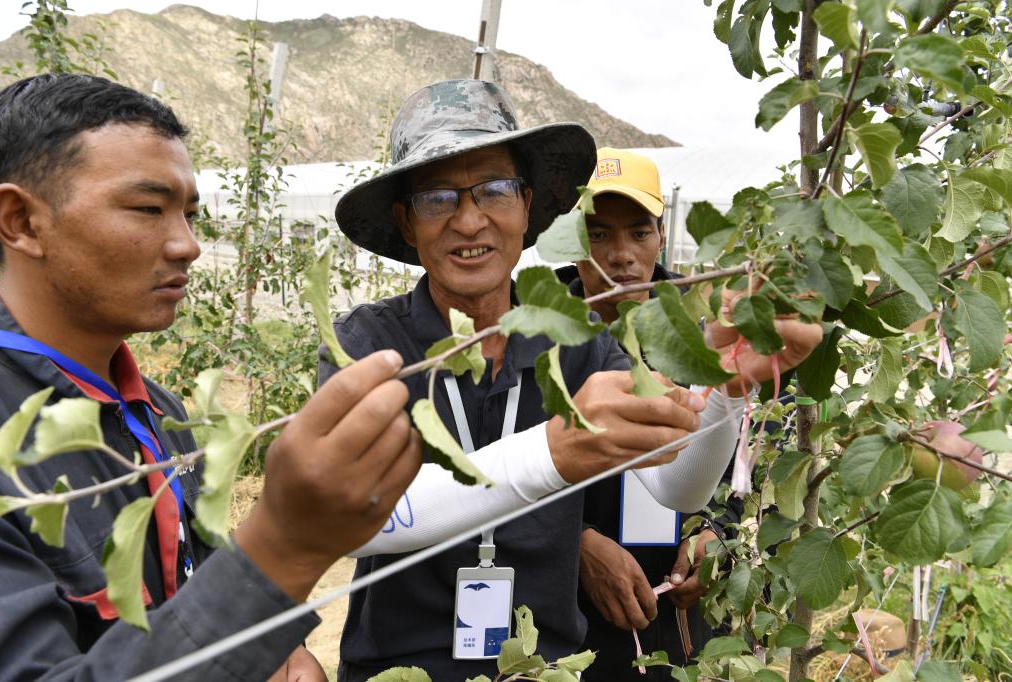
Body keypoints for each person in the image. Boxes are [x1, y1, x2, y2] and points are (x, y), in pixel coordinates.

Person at [321, 79, 822, 679]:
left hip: (547, 667)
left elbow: (676, 487)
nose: (470, 220)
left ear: (527, 207)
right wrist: (550, 455)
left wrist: (726, 391)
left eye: (495, 191)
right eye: (437, 199)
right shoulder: (369, 345)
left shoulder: (577, 337)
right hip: (400, 666)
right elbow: (349, 520)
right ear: (406, 223)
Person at [0, 74, 422, 681]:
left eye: (189, 214)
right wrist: (286, 548)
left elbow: (194, 589)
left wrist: (275, 649)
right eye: (147, 209)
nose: (188, 245)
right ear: (20, 221)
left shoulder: (159, 417)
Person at [557, 147, 740, 677]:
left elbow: (757, 453)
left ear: (660, 235)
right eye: (599, 234)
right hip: (572, 624)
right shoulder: (538, 340)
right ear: (572, 244)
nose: (621, 255)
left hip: (683, 616)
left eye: (639, 232)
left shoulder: (706, 330)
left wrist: (719, 533)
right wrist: (578, 544)